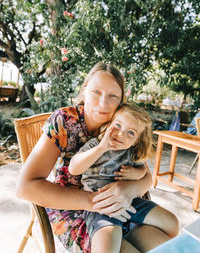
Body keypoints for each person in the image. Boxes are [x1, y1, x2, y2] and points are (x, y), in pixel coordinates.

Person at [16, 62, 172, 253]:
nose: (104, 103)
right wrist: (95, 201)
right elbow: (25, 187)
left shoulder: (121, 124)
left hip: (121, 205)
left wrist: (130, 189)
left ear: (122, 100)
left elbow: (146, 175)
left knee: (166, 246)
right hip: (73, 208)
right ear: (84, 91)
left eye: (113, 96)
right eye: (96, 92)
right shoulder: (64, 122)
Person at [69, 102, 179, 253]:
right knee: (106, 249)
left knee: (172, 224)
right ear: (109, 125)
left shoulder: (132, 152)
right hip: (101, 207)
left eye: (131, 133)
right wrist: (101, 148)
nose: (121, 134)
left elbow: (143, 170)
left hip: (130, 201)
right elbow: (74, 168)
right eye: (118, 126)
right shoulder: (95, 144)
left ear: (137, 141)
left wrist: (136, 174)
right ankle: (120, 235)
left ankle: (129, 231)